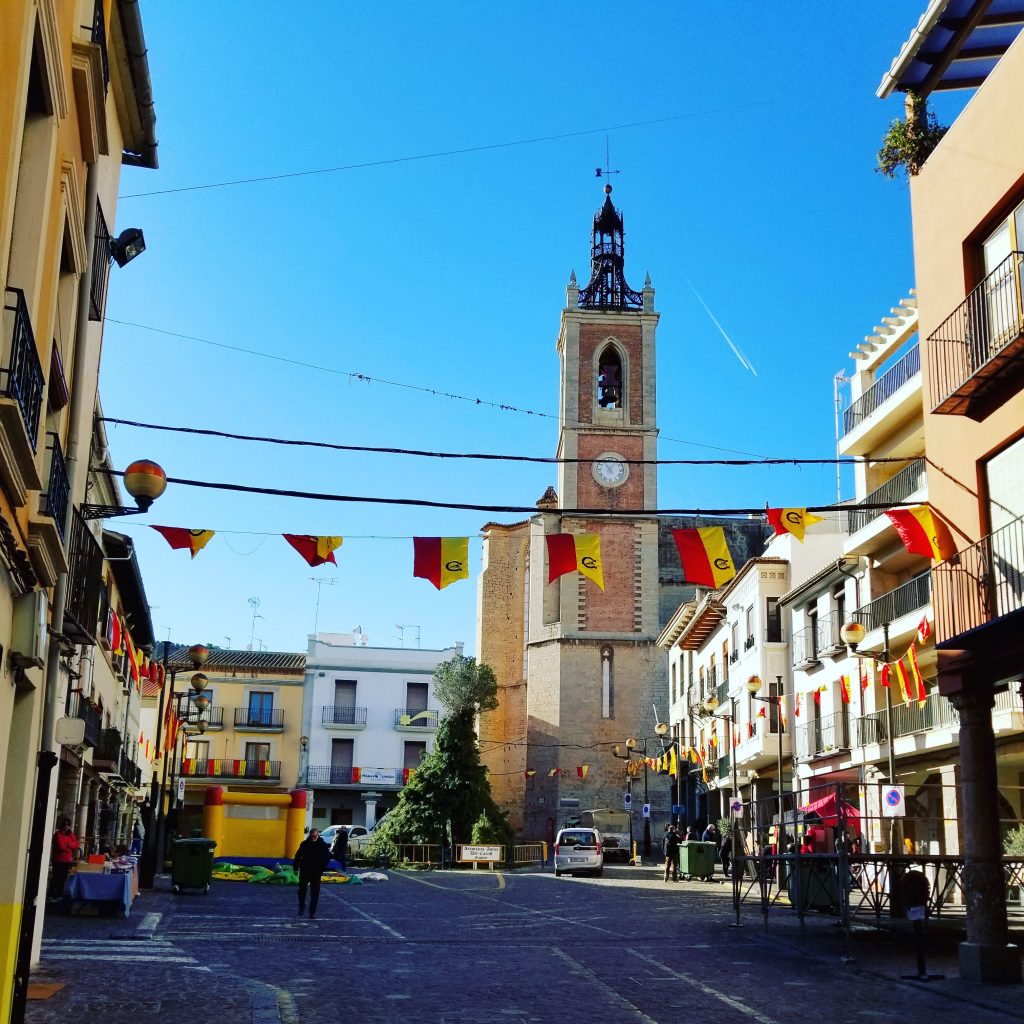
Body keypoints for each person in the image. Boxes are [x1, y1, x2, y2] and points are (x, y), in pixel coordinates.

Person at [293, 827, 331, 919]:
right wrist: (295, 868)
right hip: (305, 870)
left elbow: (327, 858)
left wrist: (322, 868)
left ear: (318, 835)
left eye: (315, 836)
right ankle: (301, 908)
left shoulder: (322, 845)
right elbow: (298, 856)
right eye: (312, 836)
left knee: (315, 893)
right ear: (310, 835)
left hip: (316, 872)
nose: (313, 838)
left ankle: (312, 912)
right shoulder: (304, 844)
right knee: (302, 890)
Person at [50, 817, 80, 901]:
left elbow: (77, 844)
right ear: (62, 825)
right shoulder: (57, 834)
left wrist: (68, 844)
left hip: (66, 860)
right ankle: (51, 895)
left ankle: (59, 895)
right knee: (56, 878)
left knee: (63, 878)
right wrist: (70, 846)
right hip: (58, 860)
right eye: (65, 825)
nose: (66, 827)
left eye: (68, 825)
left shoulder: (70, 834)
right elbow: (61, 847)